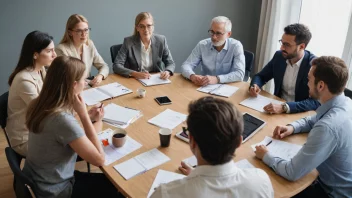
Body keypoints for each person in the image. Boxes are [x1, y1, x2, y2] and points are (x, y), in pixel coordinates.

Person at [23, 56, 122, 197]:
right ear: (74, 85)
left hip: (38, 178)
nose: (86, 83)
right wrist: (84, 114)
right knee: (118, 188)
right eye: (84, 80)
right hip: (56, 190)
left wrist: (92, 118)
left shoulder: (39, 104)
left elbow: (76, 135)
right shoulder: (61, 120)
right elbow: (99, 159)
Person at [255, 56, 352, 197]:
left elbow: (291, 172)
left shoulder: (327, 127)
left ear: (321, 86)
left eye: (309, 79)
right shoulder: (345, 102)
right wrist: (292, 127)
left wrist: (265, 156)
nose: (307, 83)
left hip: (332, 192)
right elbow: (312, 120)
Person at [151, 96, 274, 198]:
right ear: (239, 142)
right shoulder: (261, 182)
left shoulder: (165, 194)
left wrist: (197, 177)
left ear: (192, 141)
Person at [249, 23, 320, 114]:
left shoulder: (314, 66)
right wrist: (255, 85)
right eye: (282, 42)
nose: (281, 47)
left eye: (287, 45)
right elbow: (261, 76)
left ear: (302, 46)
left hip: (299, 113)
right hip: (276, 108)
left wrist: (285, 107)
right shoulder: (279, 56)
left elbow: (316, 102)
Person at [7, 31, 56, 156]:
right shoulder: (24, 79)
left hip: (38, 128)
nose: (54, 55)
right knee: (70, 142)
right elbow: (43, 110)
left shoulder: (40, 70)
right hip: (25, 138)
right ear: (35, 55)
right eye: (49, 51)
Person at [181, 16, 245, 86]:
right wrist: (192, 76)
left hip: (228, 87)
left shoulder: (236, 46)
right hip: (205, 87)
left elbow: (239, 74)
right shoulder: (202, 45)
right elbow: (186, 65)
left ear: (228, 34)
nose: (214, 37)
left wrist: (217, 79)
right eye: (212, 32)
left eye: (218, 33)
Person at [113, 12, 175, 79]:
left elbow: (170, 63)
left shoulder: (161, 40)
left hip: (156, 78)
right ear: (137, 28)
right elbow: (116, 65)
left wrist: (167, 71)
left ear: (153, 27)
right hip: (135, 80)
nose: (146, 30)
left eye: (149, 26)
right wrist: (134, 74)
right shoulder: (128, 42)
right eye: (142, 26)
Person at [56, 14, 109, 86]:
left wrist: (100, 76)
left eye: (86, 30)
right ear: (70, 32)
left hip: (88, 87)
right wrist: (89, 82)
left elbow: (103, 66)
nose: (84, 34)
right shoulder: (61, 50)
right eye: (79, 31)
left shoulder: (89, 44)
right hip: (71, 90)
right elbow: (65, 79)